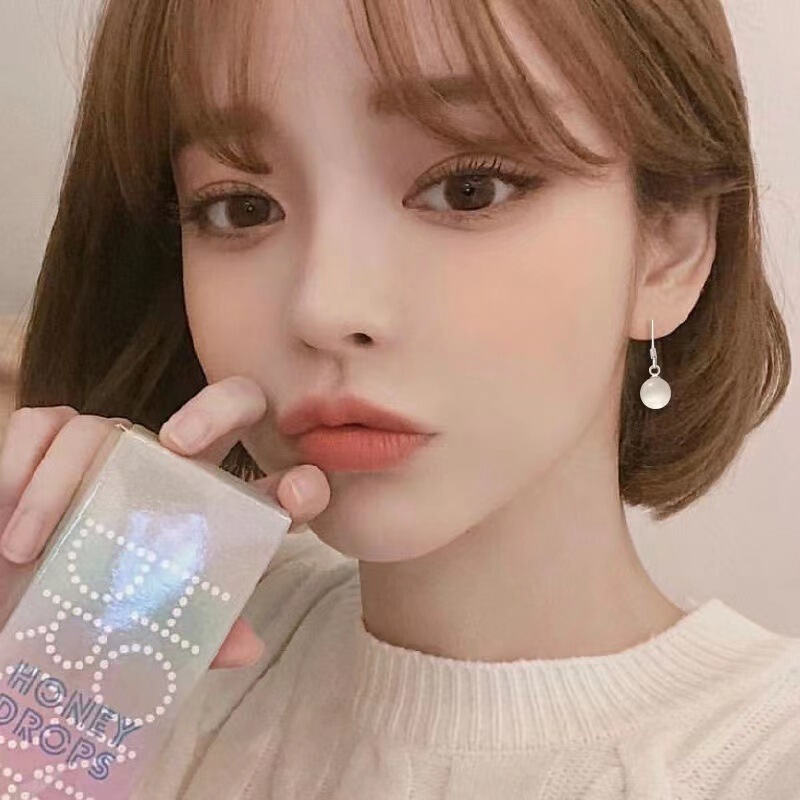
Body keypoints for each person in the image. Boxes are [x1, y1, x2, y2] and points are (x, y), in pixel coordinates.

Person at [0, 0, 797, 797]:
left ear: (669, 247)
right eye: (240, 206)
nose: (323, 306)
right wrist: (37, 707)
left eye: (468, 189)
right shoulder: (136, 640)